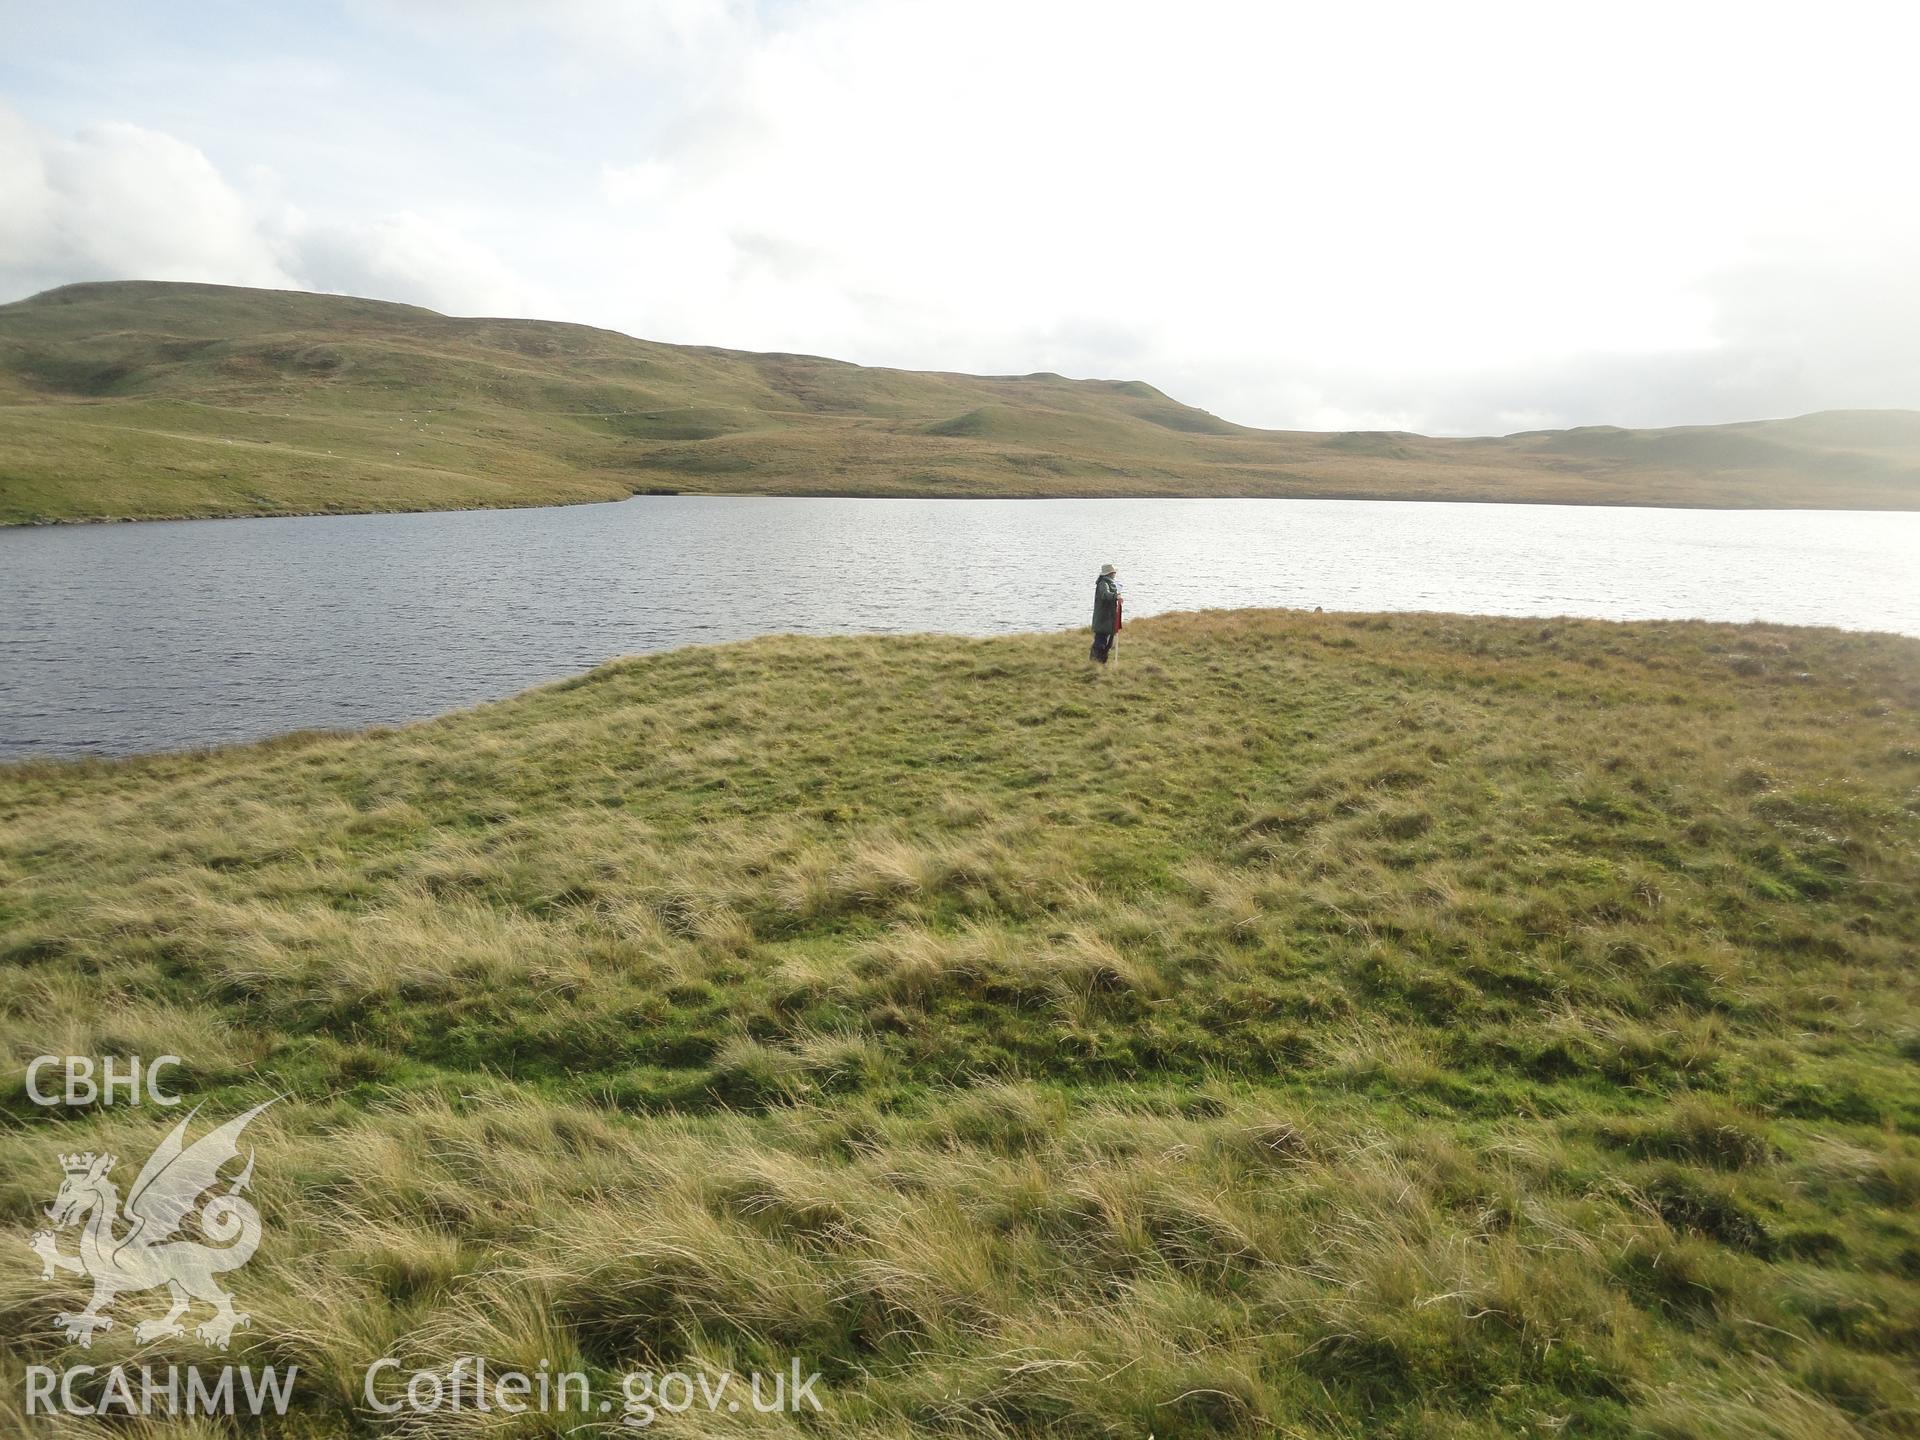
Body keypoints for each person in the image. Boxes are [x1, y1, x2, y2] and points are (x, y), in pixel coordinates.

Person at [1090, 563, 1122, 664]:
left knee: (1108, 643)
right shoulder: (1103, 583)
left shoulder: (1110, 583)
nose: (1115, 573)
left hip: (1108, 618)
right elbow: (1105, 594)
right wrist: (1115, 596)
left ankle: (1102, 663)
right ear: (1110, 573)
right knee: (1101, 642)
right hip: (1103, 618)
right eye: (1114, 572)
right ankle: (1095, 663)